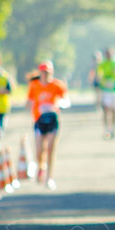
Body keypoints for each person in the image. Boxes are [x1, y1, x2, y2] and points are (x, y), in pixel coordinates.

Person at [25, 61, 69, 190]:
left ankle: (49, 178)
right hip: (39, 120)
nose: (45, 75)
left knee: (50, 149)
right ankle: (41, 167)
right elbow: (29, 101)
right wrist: (31, 105)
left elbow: (66, 100)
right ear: (40, 73)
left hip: (53, 120)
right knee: (39, 150)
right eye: (43, 72)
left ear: (51, 72)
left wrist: (58, 104)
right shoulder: (34, 85)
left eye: (47, 72)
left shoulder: (57, 85)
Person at [96, 47, 115, 139]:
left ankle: (114, 129)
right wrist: (100, 80)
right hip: (106, 89)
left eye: (110, 54)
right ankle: (106, 129)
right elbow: (98, 74)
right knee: (106, 110)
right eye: (107, 54)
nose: (108, 56)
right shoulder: (102, 64)